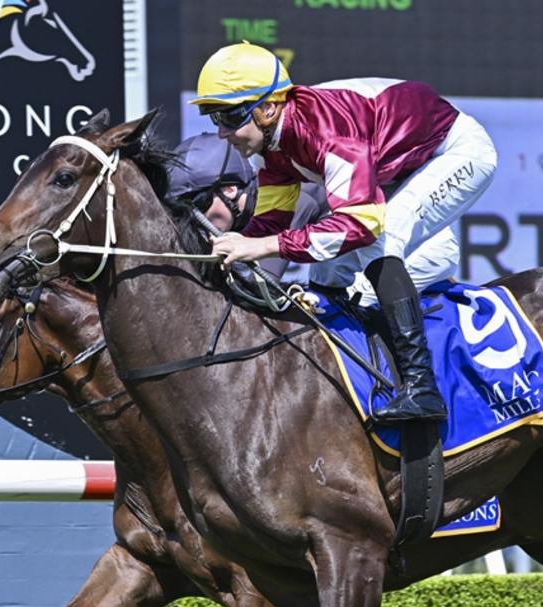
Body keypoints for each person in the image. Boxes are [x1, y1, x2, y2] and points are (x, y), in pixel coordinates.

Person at [192, 41, 497, 424]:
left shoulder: (325, 129)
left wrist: (261, 245)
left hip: (456, 152)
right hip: (400, 171)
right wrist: (226, 250)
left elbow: (359, 225)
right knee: (325, 275)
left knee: (380, 240)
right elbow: (271, 225)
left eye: (230, 117)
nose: (222, 133)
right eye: (213, 118)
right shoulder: (274, 147)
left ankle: (422, 388)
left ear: (268, 109)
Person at [166, 132, 317, 285]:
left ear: (229, 190)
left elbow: (304, 204)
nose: (196, 220)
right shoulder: (239, 210)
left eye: (200, 204)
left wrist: (259, 281)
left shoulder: (270, 195)